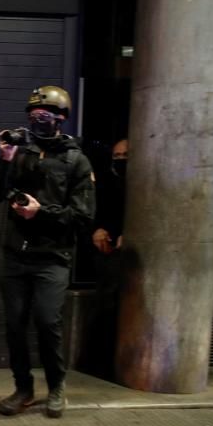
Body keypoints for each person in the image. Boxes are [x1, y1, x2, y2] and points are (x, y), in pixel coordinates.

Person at [0, 86, 96, 418]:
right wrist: (5, 161)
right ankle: (23, 388)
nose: (37, 123)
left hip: (53, 257)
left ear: (61, 118)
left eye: (44, 117)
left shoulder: (76, 160)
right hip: (16, 256)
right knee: (15, 327)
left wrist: (41, 212)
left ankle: (56, 385)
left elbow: (83, 217)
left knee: (48, 323)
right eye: (32, 117)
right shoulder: (19, 153)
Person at [86, 138, 128, 379]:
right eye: (117, 156)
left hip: (135, 257)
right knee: (106, 306)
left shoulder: (144, 185)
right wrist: (96, 230)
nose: (121, 160)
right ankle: (103, 365)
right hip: (108, 252)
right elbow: (92, 214)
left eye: (126, 155)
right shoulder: (106, 183)